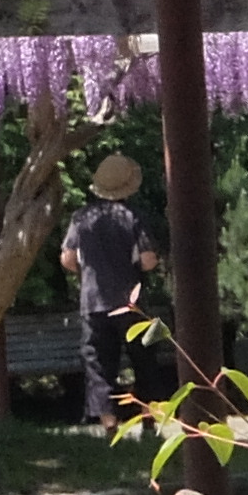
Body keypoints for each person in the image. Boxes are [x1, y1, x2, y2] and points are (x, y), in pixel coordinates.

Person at [65, 156, 162, 427]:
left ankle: (109, 424)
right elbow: (147, 260)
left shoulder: (81, 218)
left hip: (92, 302)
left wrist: (89, 274)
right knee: (143, 361)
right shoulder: (132, 216)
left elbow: (67, 258)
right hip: (130, 302)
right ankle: (148, 420)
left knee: (98, 365)